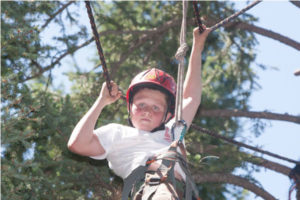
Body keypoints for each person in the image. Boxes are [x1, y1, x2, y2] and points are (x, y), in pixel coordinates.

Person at [68, 26, 210, 199]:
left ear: (168, 116)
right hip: (152, 186)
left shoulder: (173, 129)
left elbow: (191, 98)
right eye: (141, 105)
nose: (147, 112)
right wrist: (101, 102)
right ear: (130, 108)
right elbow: (78, 144)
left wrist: (198, 45)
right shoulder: (116, 133)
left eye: (156, 107)